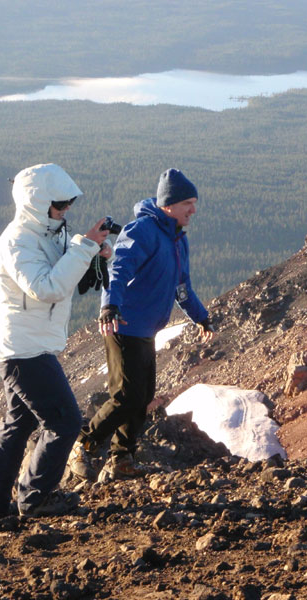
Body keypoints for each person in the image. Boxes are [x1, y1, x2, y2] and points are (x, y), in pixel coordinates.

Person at [0, 163, 112, 518]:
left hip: (27, 344)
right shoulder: (17, 241)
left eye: (67, 205)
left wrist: (93, 254)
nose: (64, 211)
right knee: (63, 421)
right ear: (36, 202)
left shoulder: (51, 233)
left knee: (20, 422)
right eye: (58, 205)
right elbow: (46, 288)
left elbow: (63, 276)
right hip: (23, 349)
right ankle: (35, 499)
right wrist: (84, 248)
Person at [68, 168, 215, 481]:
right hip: (123, 325)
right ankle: (84, 445)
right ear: (168, 204)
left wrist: (200, 316)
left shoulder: (177, 240)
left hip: (146, 330)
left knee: (143, 396)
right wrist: (109, 305)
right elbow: (118, 268)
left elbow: (182, 286)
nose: (193, 209)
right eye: (188, 202)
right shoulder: (144, 230)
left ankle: (122, 458)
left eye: (194, 202)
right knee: (128, 395)